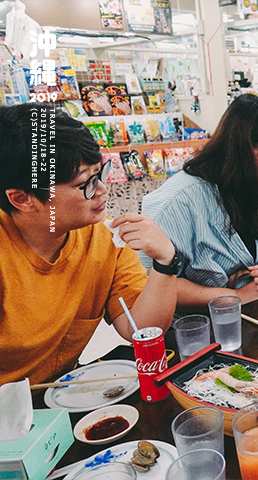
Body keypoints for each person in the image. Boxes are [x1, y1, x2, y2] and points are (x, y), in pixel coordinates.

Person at [0, 104, 179, 385]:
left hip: (65, 391)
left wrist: (166, 262)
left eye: (100, 172)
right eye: (86, 182)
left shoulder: (104, 236)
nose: (103, 189)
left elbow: (141, 327)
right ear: (23, 199)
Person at [141, 95, 258, 309]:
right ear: (247, 145)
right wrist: (234, 296)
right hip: (198, 329)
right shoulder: (179, 200)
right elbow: (146, 285)